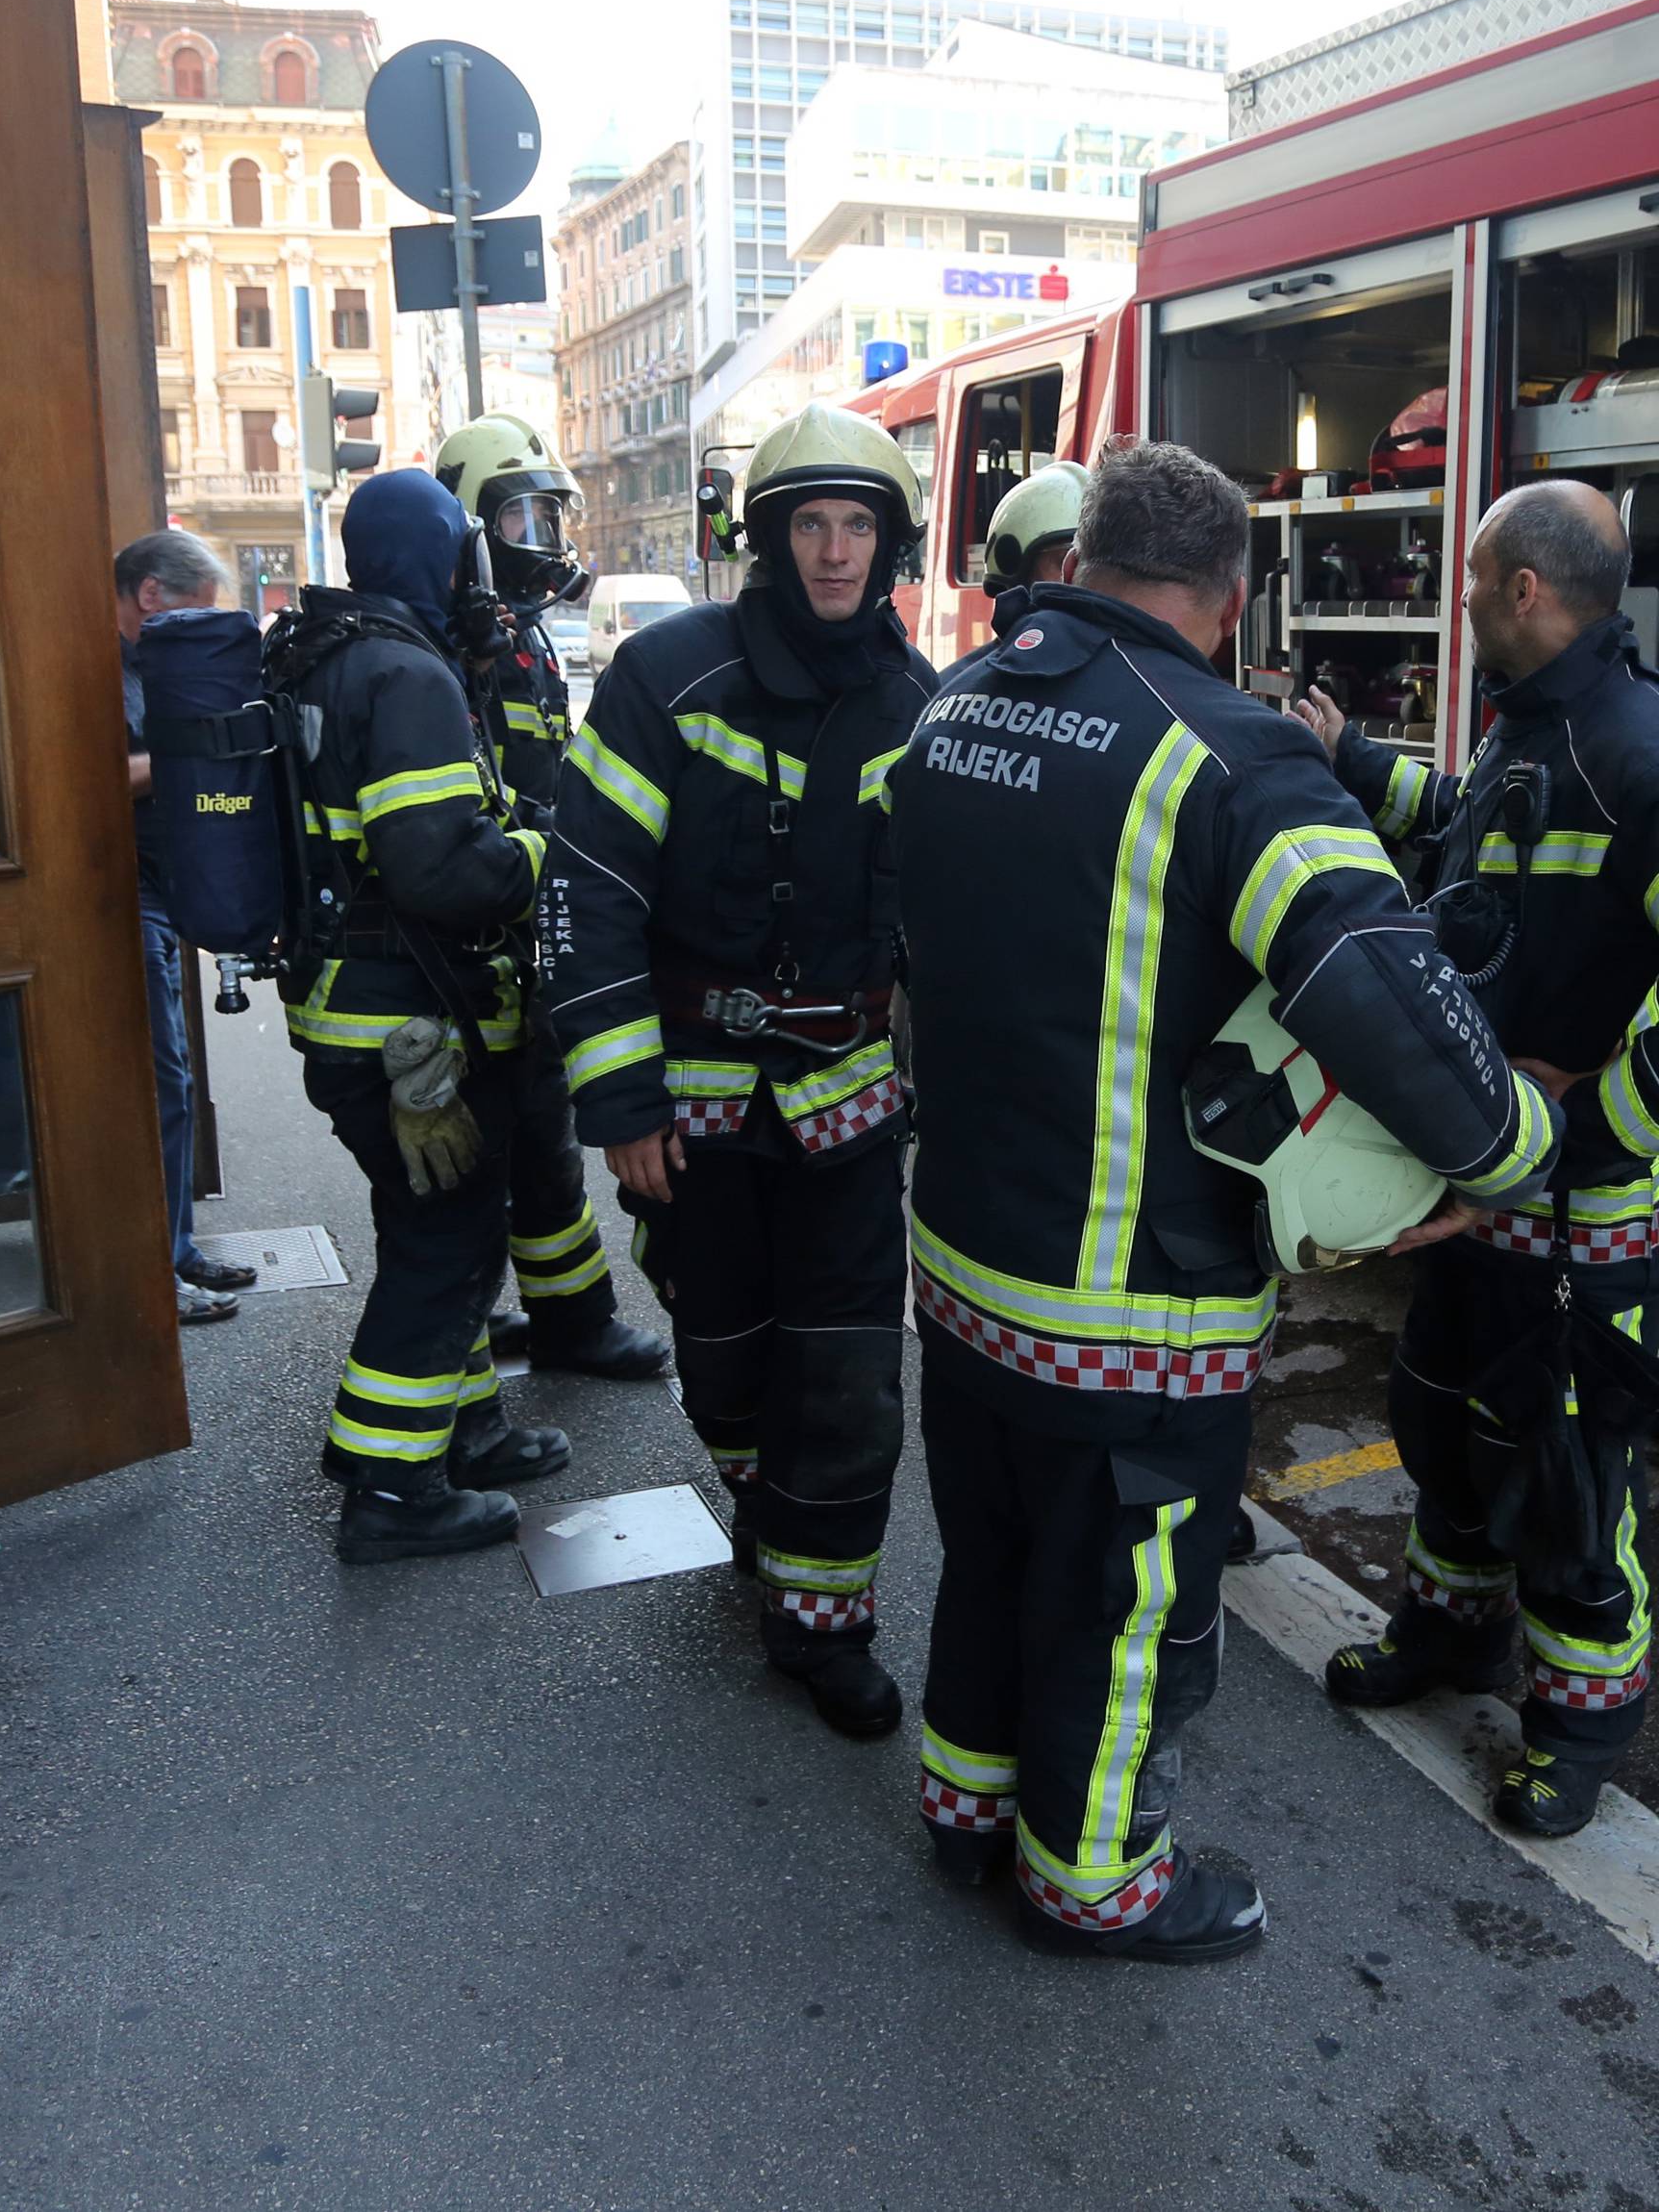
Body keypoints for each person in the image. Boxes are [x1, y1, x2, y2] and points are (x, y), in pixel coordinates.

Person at [891, 440, 1562, 1962]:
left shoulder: (953, 710)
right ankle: (1098, 1880)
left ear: (1078, 558)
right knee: (1128, 1606)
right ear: (1233, 596)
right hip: (1132, 1298)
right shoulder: (1231, 755)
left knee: (993, 1558)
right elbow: (1380, 992)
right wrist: (1515, 1146)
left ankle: (968, 1807)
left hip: (963, 1264)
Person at [544, 403, 935, 1735]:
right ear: (767, 537)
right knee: (718, 1354)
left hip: (849, 1111)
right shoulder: (664, 676)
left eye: (859, 526)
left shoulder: (921, 702)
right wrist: (623, 1101)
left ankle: (824, 1617)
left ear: (891, 546)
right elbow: (586, 887)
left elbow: (950, 924)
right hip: (693, 1108)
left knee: (844, 1372)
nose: (836, 552)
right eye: (812, 524)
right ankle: (766, 1510)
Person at [1299, 480, 1659, 1838]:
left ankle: (1580, 1718)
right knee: (1443, 1412)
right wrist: (1359, 765)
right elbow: (1471, 836)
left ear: (1523, 589)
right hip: (1479, 1177)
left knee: (1568, 1468)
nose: (1456, 598)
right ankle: (1452, 1631)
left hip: (1588, 1207)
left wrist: (1588, 1121)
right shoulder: (1538, 729)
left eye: (1469, 576)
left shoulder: (1639, 751)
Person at [275, 468, 570, 1564]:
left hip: (352, 1010)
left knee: (439, 1227)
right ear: (441, 558)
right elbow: (445, 871)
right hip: (407, 1030)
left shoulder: (330, 652)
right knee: (444, 1243)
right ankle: (392, 1489)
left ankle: (467, 1429)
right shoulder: (405, 674)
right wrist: (549, 850)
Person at [436, 412, 666, 1385]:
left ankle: (570, 1319)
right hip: (458, 947)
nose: (547, 543)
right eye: (523, 519)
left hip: (521, 926)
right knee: (487, 1159)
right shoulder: (452, 647)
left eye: (550, 519)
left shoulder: (520, 642)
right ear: (473, 527)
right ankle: (472, 1344)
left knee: (543, 1138)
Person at [114, 532, 259, 1327]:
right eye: (192, 615)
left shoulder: (153, 662)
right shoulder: (102, 663)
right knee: (159, 1083)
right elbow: (100, 771)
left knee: (174, 1081)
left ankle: (177, 1249)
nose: (199, 632)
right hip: (121, 892)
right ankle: (157, 1269)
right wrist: (191, 754)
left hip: (165, 887)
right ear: (149, 595)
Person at [934, 457, 1090, 691]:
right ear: (1016, 571)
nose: (1084, 579)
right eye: (1065, 562)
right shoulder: (949, 690)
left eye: (1095, 564)